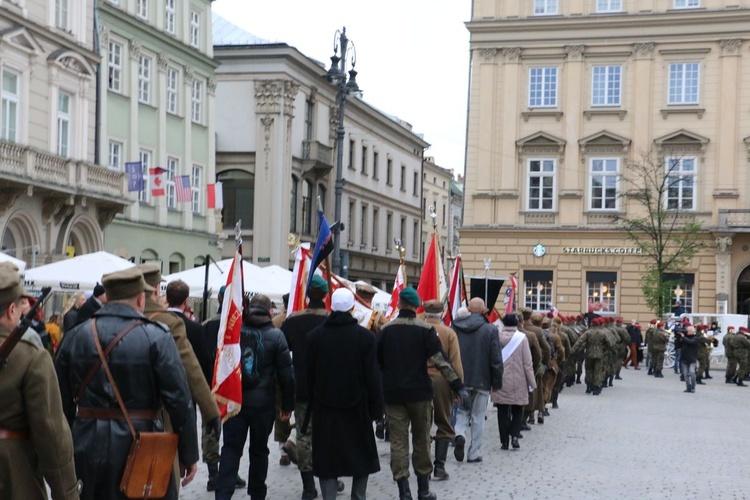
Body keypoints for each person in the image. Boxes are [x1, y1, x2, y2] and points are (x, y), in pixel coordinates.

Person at [55, 267, 199, 499]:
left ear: (107, 298)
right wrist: (189, 453)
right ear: (141, 299)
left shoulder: (75, 335)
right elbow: (179, 400)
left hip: (85, 442)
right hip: (142, 445)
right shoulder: (157, 336)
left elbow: (60, 402)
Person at [138, 264, 223, 495]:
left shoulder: (102, 320)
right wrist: (211, 411)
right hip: (157, 417)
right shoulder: (169, 322)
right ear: (156, 289)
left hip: (112, 418)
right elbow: (190, 371)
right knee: (163, 485)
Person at [377, 287, 468, 500]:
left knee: (398, 443)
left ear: (399, 305)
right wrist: (458, 385)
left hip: (393, 394)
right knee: (422, 440)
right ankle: (423, 489)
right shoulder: (425, 331)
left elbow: (377, 363)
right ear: (416, 306)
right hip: (419, 393)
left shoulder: (386, 331)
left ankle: (403, 490)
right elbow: (441, 361)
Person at [0, 263, 81, 499]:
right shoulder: (31, 357)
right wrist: (66, 492)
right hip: (13, 477)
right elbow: (51, 432)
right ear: (12, 309)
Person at [306, 288, 383, 500]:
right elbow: (372, 377)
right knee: (361, 456)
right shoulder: (365, 338)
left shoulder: (315, 337)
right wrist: (377, 410)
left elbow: (307, 376)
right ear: (351, 308)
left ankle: (329, 497)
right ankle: (358, 496)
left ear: (331, 307)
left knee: (327, 458)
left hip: (324, 407)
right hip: (358, 408)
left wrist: (306, 406)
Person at [216, 294, 295, 500]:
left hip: (235, 402)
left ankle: (223, 494)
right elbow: (287, 376)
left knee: (231, 449)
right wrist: (286, 405)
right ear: (270, 311)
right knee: (259, 451)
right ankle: (257, 494)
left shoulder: (235, 332)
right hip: (263, 405)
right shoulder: (276, 336)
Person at [281, 276, 330, 499]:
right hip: (329, 390)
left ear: (307, 295)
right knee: (328, 435)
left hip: (301, 387)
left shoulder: (292, 321)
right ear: (326, 296)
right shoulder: (332, 321)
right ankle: (330, 479)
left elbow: (283, 354)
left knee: (304, 436)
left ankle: (308, 487)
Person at [452, 297, 504, 463]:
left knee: (461, 412)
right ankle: (474, 452)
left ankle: (459, 434)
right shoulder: (490, 330)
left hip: (461, 379)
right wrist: (497, 382)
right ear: (483, 311)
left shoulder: (456, 327)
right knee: (478, 416)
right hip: (482, 379)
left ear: (467, 309)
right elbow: (496, 359)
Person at [422, 299, 463, 481]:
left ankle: (423, 466)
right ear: (441, 313)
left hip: (420, 380)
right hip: (442, 381)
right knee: (444, 422)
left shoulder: (419, 329)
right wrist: (458, 387)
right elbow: (455, 362)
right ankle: (439, 466)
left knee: (422, 424)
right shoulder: (448, 333)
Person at [492, 313, 535, 451]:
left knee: (502, 410)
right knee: (518, 408)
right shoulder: (522, 339)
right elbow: (527, 363)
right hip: (519, 379)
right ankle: (515, 436)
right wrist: (532, 383)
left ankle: (504, 441)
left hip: (501, 378)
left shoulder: (497, 336)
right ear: (517, 324)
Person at [677, 326, 699, 393]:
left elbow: (691, 342)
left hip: (692, 359)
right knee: (685, 374)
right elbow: (679, 345)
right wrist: (679, 338)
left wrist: (683, 337)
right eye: (687, 331)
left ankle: (693, 387)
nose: (687, 332)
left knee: (692, 372)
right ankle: (688, 387)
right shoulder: (684, 337)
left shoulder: (696, 338)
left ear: (692, 331)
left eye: (688, 331)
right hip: (684, 358)